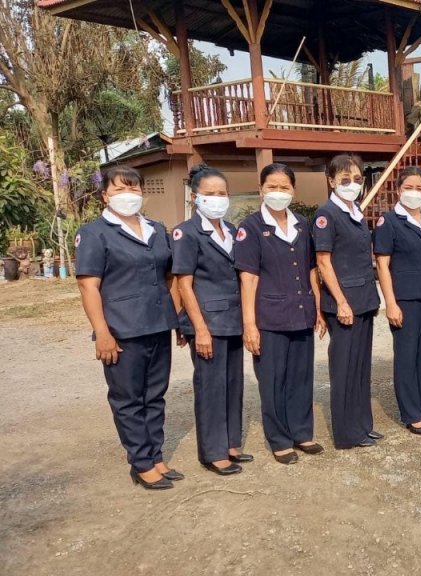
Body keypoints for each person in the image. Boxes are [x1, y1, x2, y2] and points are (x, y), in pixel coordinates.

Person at [75, 166, 183, 489]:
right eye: (120, 189)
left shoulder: (156, 229)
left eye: (134, 188)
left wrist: (176, 318)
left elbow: (170, 277)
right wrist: (102, 332)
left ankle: (156, 455)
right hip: (122, 330)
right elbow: (88, 286)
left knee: (155, 395)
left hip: (158, 325)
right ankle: (141, 462)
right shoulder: (94, 233)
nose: (128, 195)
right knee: (128, 399)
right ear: (105, 196)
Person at [235, 163, 327, 464]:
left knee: (301, 377)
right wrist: (249, 324)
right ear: (261, 189)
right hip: (270, 318)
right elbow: (248, 278)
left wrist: (318, 308)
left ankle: (301, 432)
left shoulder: (302, 224)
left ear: (293, 190)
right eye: (272, 186)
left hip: (301, 312)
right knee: (273, 380)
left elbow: (311, 269)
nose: (278, 192)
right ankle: (279, 439)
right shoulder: (250, 228)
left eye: (284, 187)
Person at [173, 164, 251, 475]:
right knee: (210, 387)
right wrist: (199, 329)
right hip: (207, 322)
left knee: (233, 383)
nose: (217, 199)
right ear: (195, 197)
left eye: (222, 193)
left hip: (232, 319)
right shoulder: (186, 232)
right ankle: (213, 451)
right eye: (210, 194)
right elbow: (184, 284)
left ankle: (231, 442)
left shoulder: (231, 230)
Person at [313, 154, 383, 449]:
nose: (352, 184)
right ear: (331, 181)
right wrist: (341, 302)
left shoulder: (355, 211)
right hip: (344, 303)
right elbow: (323, 261)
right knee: (344, 369)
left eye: (357, 179)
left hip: (363, 299)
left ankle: (363, 425)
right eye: (345, 179)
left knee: (360, 368)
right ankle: (346, 433)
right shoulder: (327, 214)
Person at [374, 166, 421, 435]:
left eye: (419, 188)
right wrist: (390, 303)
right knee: (407, 355)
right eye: (409, 188)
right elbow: (382, 265)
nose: (414, 192)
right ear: (398, 190)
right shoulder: (389, 222)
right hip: (405, 298)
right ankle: (411, 413)